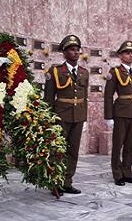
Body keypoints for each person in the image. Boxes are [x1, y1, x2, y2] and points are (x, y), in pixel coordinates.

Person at [44, 34, 89, 195]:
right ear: (64, 53)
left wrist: (85, 117)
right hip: (61, 116)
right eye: (72, 50)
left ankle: (67, 181)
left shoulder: (84, 72)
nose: (76, 52)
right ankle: (55, 183)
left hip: (78, 116)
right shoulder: (55, 71)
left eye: (77, 50)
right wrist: (48, 120)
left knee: (73, 150)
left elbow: (85, 97)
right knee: (58, 150)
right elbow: (48, 98)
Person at [104, 41, 132, 186]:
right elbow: (108, 96)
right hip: (120, 112)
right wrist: (109, 117)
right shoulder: (115, 72)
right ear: (120, 55)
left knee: (130, 145)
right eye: (127, 53)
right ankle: (117, 174)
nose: (130, 55)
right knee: (118, 144)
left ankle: (127, 172)